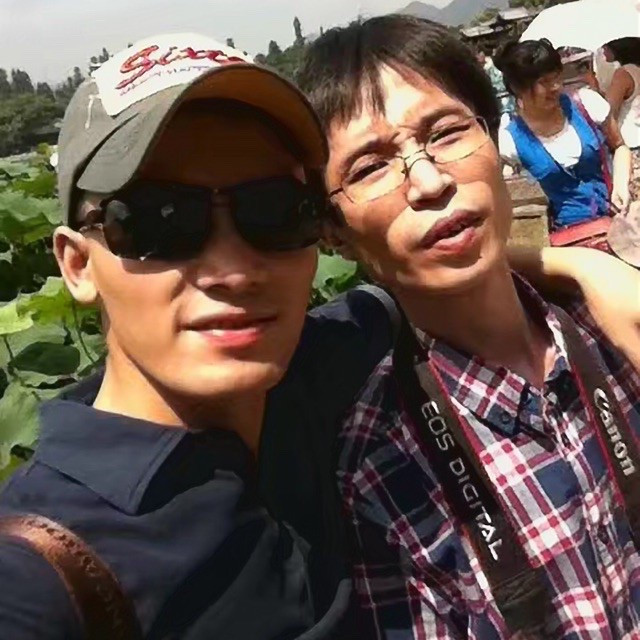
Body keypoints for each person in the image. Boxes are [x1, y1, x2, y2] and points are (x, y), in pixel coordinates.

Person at [1, 29, 640, 640]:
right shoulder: (39, 572)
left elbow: (433, 268)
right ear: (76, 263)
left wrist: (578, 266)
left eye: (274, 213)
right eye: (159, 221)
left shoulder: (330, 357)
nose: (233, 269)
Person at [298, 15, 640, 639]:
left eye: (448, 132)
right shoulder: (382, 467)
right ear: (332, 232)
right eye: (371, 168)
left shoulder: (615, 328)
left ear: (492, 136)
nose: (430, 182)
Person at [496, 39, 632, 248]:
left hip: (618, 223)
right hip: (568, 241)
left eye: (557, 77)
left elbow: (619, 146)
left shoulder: (586, 103)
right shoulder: (510, 140)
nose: (556, 87)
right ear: (518, 88)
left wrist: (620, 186)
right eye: (544, 82)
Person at [603, 37, 640, 202]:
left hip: (629, 147)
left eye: (606, 45)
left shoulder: (624, 74)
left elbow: (608, 112)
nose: (603, 49)